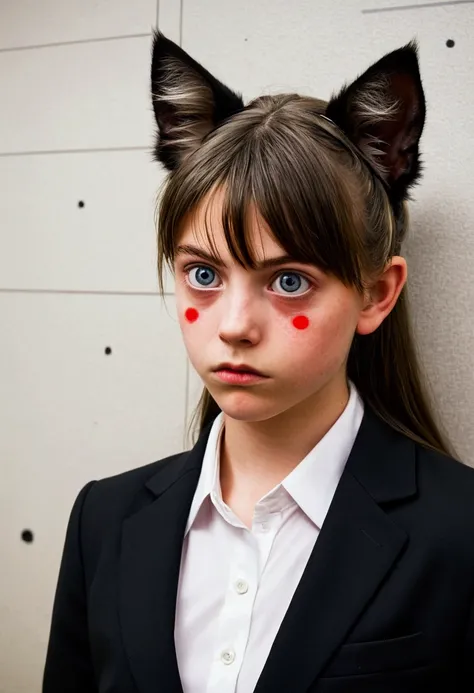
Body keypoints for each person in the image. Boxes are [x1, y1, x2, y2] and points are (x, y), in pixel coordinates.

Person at [42, 31, 474, 693]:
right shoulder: (103, 521)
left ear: (376, 293)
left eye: (290, 280)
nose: (235, 327)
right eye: (203, 274)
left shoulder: (460, 531)